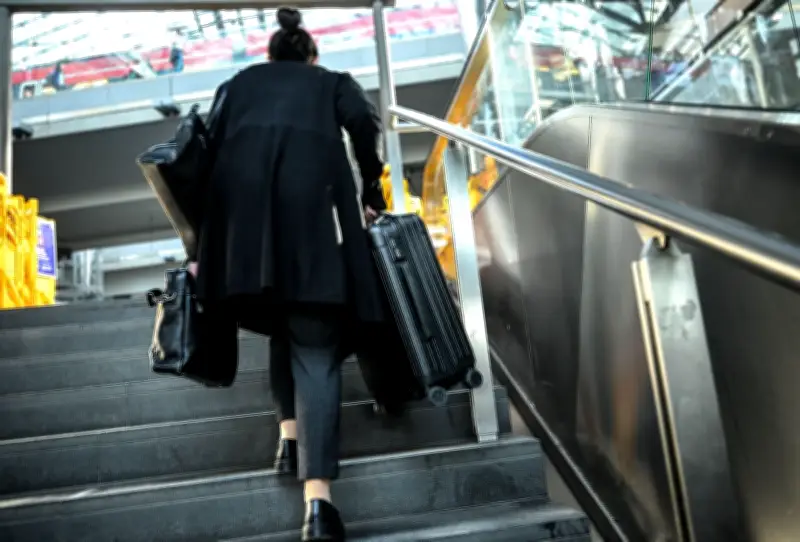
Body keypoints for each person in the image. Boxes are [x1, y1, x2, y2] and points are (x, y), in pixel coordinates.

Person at [192, 7, 386, 542]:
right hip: (312, 230)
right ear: (311, 55)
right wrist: (372, 187)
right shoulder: (330, 84)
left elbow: (202, 152)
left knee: (283, 326)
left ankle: (289, 438)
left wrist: (200, 244)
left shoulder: (238, 85)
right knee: (315, 344)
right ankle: (319, 505)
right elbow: (365, 124)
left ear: (271, 55)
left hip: (242, 241)